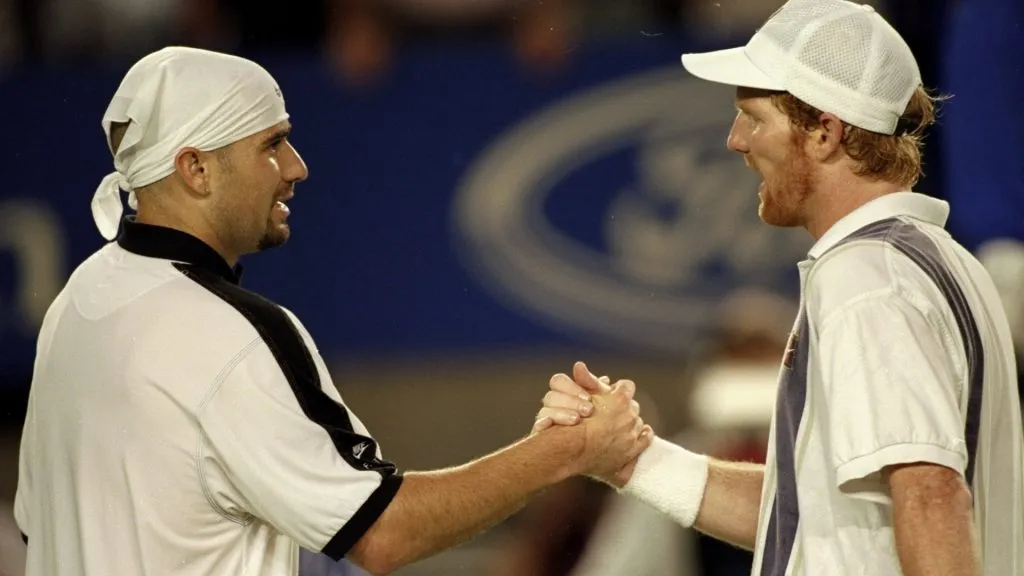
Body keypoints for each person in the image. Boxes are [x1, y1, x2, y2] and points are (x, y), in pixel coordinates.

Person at [12, 46, 652, 576]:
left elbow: (39, 526)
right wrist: (569, 452)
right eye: (273, 145)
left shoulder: (79, 301)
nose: (297, 168)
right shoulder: (231, 333)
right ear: (196, 169)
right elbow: (383, 534)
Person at [534, 0, 1024, 574]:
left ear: (824, 133)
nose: (736, 140)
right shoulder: (941, 263)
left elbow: (930, 496)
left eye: (755, 117)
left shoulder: (866, 278)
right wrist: (633, 460)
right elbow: (810, 518)